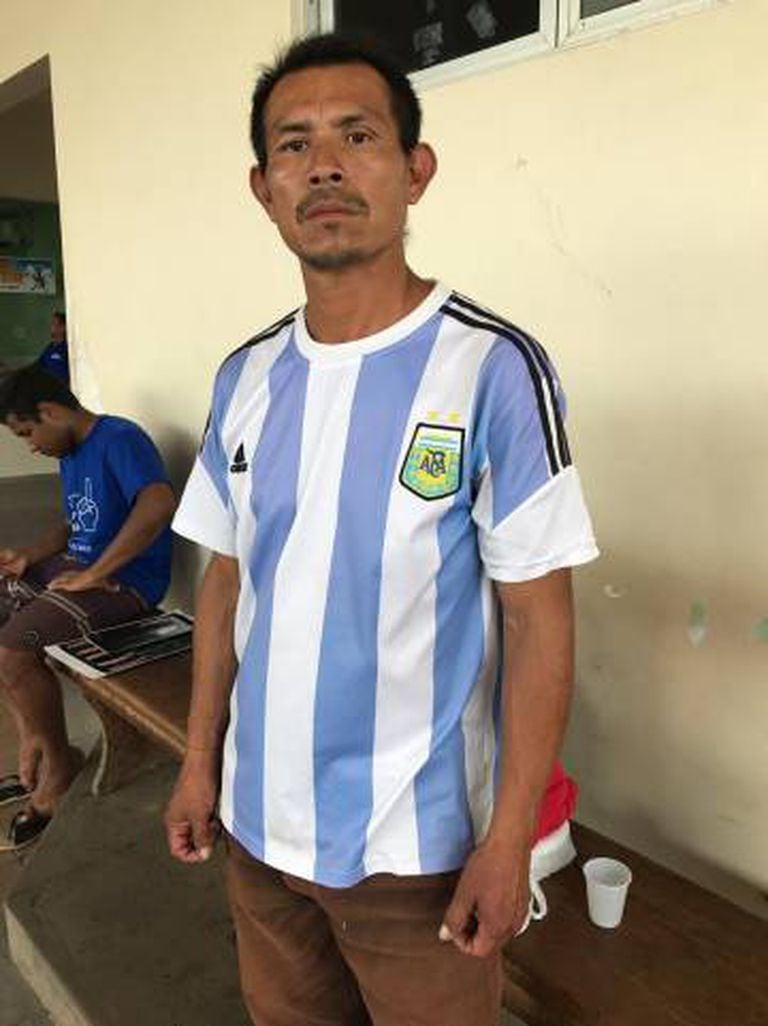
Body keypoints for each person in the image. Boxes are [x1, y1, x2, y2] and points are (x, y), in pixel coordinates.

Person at [165, 33, 598, 1026]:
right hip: (257, 830)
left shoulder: (492, 370)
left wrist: (508, 840)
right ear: (263, 188)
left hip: (416, 855)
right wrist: (198, 763)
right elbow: (226, 580)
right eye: (294, 144)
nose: (323, 165)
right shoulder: (245, 377)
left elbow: (539, 619)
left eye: (357, 136)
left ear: (415, 171)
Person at [0, 365, 175, 849]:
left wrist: (97, 573)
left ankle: (58, 769)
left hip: (124, 585)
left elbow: (158, 503)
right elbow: (74, 523)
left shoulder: (120, 438)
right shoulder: (71, 450)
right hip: (77, 570)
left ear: (50, 411)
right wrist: (30, 556)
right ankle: (35, 736)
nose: (30, 446)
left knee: (13, 648)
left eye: (27, 432)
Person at [36, 310, 70, 386]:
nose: (51, 327)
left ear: (63, 327)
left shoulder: (67, 348)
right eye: (51, 324)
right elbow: (38, 365)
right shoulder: (50, 348)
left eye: (54, 324)